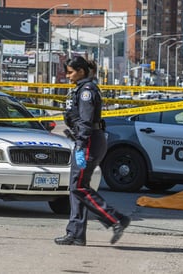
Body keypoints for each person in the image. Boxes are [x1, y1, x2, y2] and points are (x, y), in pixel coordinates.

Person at [54, 56, 131, 246]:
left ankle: (115, 219)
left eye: (71, 72)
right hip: (84, 140)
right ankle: (76, 233)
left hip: (87, 142)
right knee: (76, 187)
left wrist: (80, 143)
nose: (68, 76)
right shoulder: (80, 88)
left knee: (79, 186)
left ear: (81, 71)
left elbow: (86, 121)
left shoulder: (87, 91)